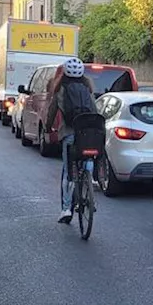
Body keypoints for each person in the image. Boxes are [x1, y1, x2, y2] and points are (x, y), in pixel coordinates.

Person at [51, 58, 98, 224]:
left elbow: (52, 111)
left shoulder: (60, 89)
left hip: (69, 133)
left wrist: (49, 129)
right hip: (86, 132)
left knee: (68, 171)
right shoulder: (87, 87)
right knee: (88, 159)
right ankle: (88, 185)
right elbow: (94, 110)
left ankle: (66, 209)